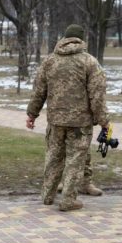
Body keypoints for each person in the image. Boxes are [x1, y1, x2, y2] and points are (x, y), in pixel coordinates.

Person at [26, 24, 109, 212]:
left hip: (55, 121)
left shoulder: (50, 61)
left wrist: (32, 114)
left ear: (64, 38)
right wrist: (104, 121)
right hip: (80, 123)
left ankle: (47, 196)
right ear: (81, 40)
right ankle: (68, 200)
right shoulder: (89, 62)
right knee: (75, 161)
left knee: (54, 158)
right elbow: (97, 95)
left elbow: (39, 91)